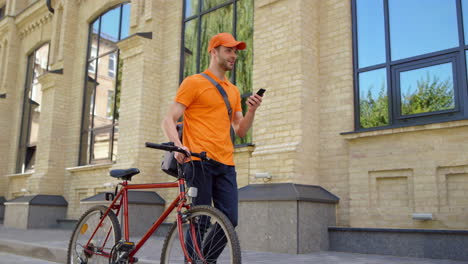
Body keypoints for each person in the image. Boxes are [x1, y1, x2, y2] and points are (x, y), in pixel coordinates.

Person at [161, 32, 263, 260]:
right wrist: (178, 146)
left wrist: (252, 110)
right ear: (213, 51)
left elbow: (240, 130)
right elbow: (170, 119)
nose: (234, 55)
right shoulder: (193, 82)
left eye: (235, 51)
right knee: (200, 220)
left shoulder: (233, 91)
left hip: (226, 163)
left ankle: (203, 259)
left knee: (230, 220)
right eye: (228, 50)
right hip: (198, 161)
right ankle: (197, 260)